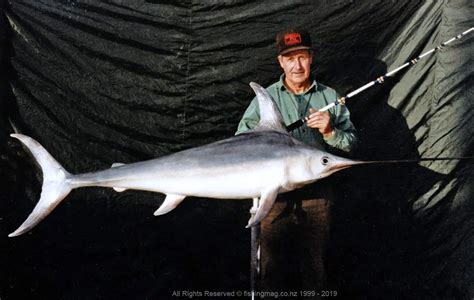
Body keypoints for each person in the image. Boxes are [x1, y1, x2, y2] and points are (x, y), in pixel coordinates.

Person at [236, 28, 357, 297]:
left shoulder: (329, 97)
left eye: (302, 57)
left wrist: (330, 131)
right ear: (281, 62)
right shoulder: (267, 97)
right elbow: (239, 141)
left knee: (315, 268)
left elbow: (350, 143)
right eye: (289, 59)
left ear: (311, 58)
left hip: (317, 196)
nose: (297, 65)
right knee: (272, 269)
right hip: (274, 195)